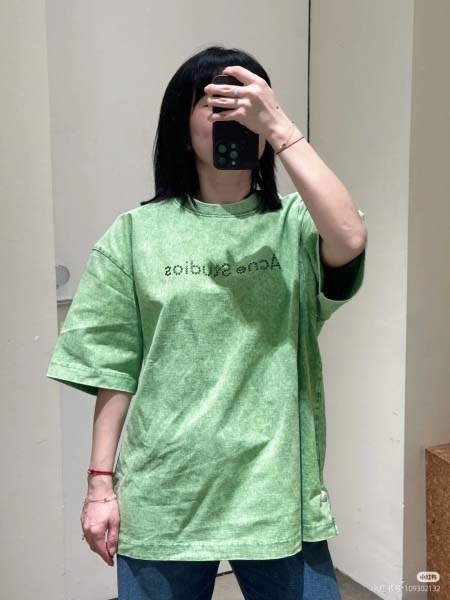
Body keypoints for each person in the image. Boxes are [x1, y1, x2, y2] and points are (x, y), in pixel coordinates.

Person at [47, 45, 368, 599]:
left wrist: (281, 128)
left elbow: (350, 238)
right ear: (181, 124)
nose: (235, 114)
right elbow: (113, 367)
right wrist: (100, 485)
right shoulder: (135, 235)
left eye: (250, 102)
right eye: (217, 103)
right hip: (165, 489)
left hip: (275, 490)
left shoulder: (297, 224)